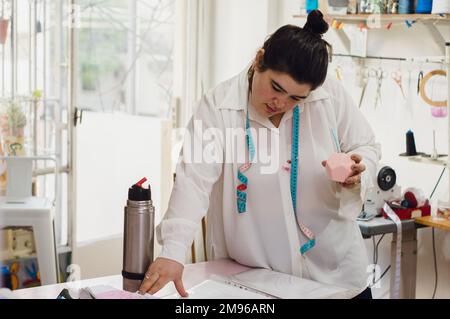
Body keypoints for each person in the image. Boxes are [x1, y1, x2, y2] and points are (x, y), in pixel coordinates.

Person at [139, 10, 381, 299]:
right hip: (259, 283)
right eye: (276, 87)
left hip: (338, 279)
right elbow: (193, 182)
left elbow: (366, 146)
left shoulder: (328, 95)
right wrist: (173, 252)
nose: (280, 103)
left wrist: (358, 170)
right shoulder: (218, 108)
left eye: (296, 98)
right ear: (258, 59)